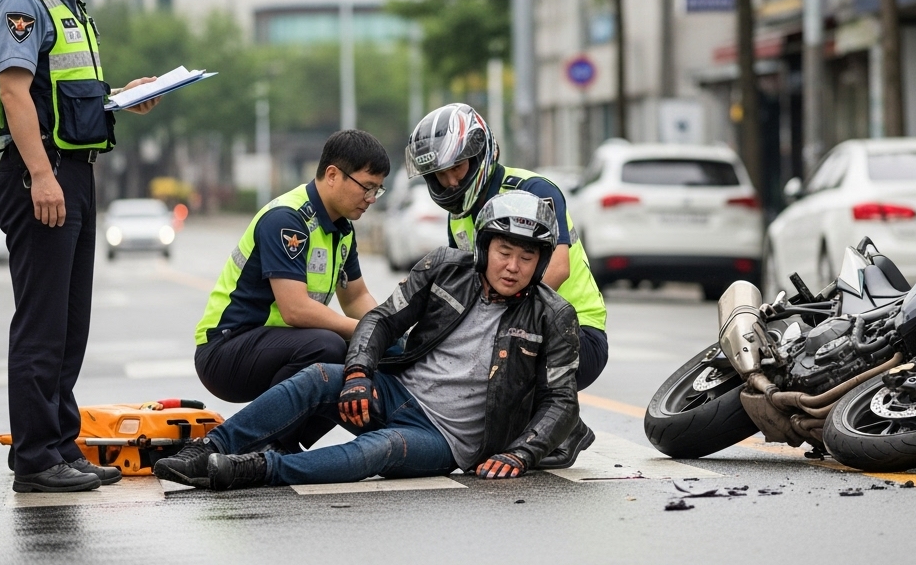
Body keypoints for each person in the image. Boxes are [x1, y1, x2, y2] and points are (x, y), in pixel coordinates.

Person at [153, 191, 580, 490]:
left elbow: (561, 401)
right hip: (399, 392)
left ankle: (259, 468)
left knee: (378, 450)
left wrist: (521, 454)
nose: (513, 267)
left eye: (528, 258)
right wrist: (358, 373)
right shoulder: (445, 268)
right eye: (505, 252)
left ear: (541, 262)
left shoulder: (555, 316)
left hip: (450, 439)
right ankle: (209, 447)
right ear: (485, 247)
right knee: (321, 374)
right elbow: (381, 319)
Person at [0, 0, 159, 493]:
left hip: (73, 171)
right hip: (43, 174)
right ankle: (35, 459)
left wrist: (119, 97)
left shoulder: (70, 6)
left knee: (69, 323)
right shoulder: (21, 2)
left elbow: (62, 96)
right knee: (41, 323)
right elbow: (14, 92)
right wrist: (40, 175)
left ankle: (59, 445)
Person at [405, 103, 605, 468]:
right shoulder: (460, 218)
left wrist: (489, 328)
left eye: (457, 169)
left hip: (575, 336)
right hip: (509, 335)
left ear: (479, 155)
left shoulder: (534, 190)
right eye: (439, 175)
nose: (450, 182)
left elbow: (556, 268)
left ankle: (563, 428)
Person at [193, 130, 389, 451]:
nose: (371, 198)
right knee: (330, 346)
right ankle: (264, 441)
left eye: (377, 190)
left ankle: (283, 444)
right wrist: (365, 330)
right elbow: (294, 309)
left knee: (363, 349)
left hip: (276, 347)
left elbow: (355, 298)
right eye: (366, 187)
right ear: (332, 175)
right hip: (226, 350)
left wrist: (389, 330)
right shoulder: (287, 219)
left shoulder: (342, 229)